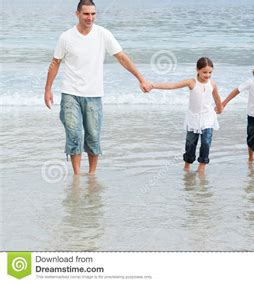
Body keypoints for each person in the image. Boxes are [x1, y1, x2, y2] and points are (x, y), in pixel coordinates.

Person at [44, 0, 152, 175]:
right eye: (86, 14)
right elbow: (55, 63)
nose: (90, 18)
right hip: (70, 93)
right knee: (74, 135)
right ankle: (78, 175)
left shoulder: (103, 34)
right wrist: (47, 89)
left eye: (93, 14)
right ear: (77, 14)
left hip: (94, 94)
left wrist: (141, 79)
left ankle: (92, 175)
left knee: (93, 136)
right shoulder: (66, 37)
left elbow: (122, 57)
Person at [149, 57, 223, 172]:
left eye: (210, 72)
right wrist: (153, 85)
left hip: (207, 117)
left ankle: (202, 166)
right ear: (197, 70)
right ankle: (187, 164)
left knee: (206, 142)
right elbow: (172, 86)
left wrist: (220, 108)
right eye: (204, 72)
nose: (207, 75)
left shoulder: (212, 84)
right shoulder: (191, 82)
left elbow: (217, 97)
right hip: (193, 118)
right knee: (190, 144)